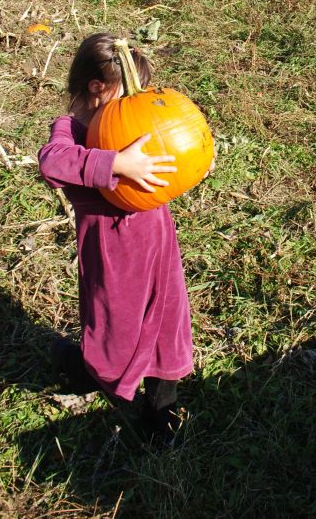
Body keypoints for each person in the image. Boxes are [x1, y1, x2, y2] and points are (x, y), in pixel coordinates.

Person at [38, 31, 193, 444]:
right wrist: (117, 164)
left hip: (158, 243)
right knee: (117, 329)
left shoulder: (131, 119)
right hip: (113, 255)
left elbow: (169, 147)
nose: (136, 104)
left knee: (166, 325)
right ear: (97, 88)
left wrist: (188, 162)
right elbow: (52, 163)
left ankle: (163, 409)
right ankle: (82, 367)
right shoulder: (69, 130)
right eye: (127, 92)